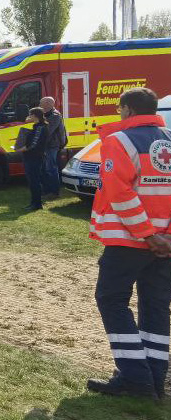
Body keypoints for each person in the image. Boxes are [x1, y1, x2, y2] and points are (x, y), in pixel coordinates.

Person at [87, 87, 171, 399]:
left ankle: (136, 377)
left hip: (129, 240)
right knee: (156, 305)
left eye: (121, 109)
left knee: (111, 299)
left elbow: (120, 193)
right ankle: (155, 377)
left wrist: (148, 234)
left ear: (127, 109)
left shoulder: (119, 141)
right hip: (164, 245)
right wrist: (164, 237)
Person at [16, 107, 48, 212]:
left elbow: (34, 144)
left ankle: (37, 204)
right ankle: (34, 202)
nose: (29, 117)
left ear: (35, 116)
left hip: (35, 157)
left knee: (34, 181)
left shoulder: (41, 127)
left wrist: (21, 149)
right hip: (30, 156)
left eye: (30, 115)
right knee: (32, 180)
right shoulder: (37, 126)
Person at [39, 96, 67, 198]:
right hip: (46, 145)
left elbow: (48, 131)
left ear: (48, 104)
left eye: (41, 103)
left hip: (52, 145)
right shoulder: (46, 114)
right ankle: (46, 190)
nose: (40, 106)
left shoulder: (55, 115)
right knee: (44, 168)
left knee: (51, 168)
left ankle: (54, 192)